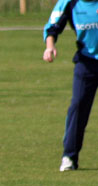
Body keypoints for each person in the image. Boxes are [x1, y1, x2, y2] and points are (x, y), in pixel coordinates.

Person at [43, 0, 98, 171]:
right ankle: (69, 156)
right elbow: (52, 26)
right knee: (78, 106)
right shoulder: (69, 3)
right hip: (86, 63)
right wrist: (50, 46)